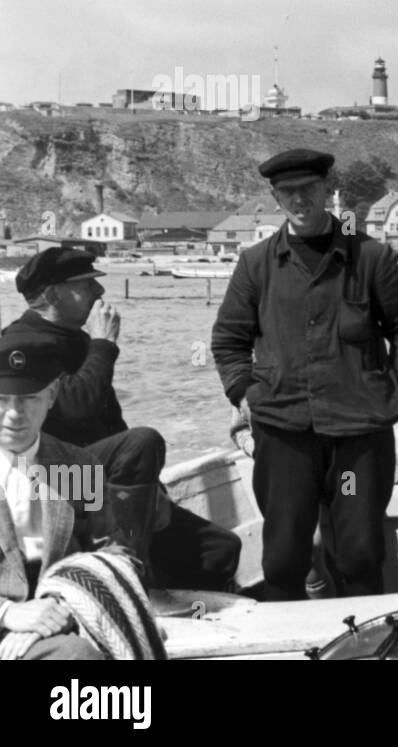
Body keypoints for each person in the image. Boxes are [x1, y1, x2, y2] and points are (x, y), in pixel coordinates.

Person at [210, 149, 398, 601]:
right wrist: (243, 390)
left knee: (361, 553)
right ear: (275, 197)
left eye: (309, 189)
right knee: (284, 557)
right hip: (284, 433)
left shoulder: (371, 258)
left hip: (359, 435)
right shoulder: (256, 264)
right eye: (288, 192)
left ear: (328, 190)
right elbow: (229, 339)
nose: (300, 200)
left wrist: (392, 383)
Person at [3, 247, 240, 592]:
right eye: (86, 285)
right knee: (143, 440)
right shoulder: (20, 344)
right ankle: (130, 572)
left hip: (94, 481)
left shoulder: (76, 341)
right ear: (53, 293)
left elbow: (111, 426)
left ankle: (184, 606)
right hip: (56, 485)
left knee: (221, 550)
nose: (99, 292)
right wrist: (104, 345)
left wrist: (151, 491)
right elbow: (76, 408)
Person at [0, 331, 108, 660]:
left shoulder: (78, 466)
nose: (15, 413)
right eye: (2, 398)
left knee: (80, 654)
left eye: (30, 398)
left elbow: (109, 554)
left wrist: (57, 611)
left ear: (53, 394)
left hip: (57, 620)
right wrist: (8, 614)